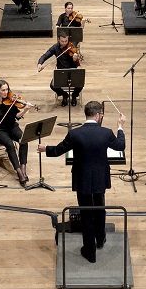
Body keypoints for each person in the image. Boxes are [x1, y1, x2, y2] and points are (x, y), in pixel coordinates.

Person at [39, 101, 126, 263]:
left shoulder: (74, 134)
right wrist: (120, 126)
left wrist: (46, 149)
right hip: (100, 177)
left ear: (86, 114)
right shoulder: (106, 133)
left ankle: (90, 251)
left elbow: (58, 150)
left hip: (83, 178)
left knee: (86, 213)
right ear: (98, 115)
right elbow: (120, 146)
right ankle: (100, 239)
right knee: (100, 208)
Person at [0, 80, 35, 184]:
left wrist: (25, 110)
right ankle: (19, 172)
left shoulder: (11, 100)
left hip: (12, 127)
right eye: (3, 90)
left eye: (7, 89)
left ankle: (23, 168)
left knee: (24, 139)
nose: (6, 92)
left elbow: (17, 116)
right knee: (10, 145)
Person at [38, 33, 82, 105]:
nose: (64, 43)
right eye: (62, 41)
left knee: (81, 83)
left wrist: (75, 60)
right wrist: (40, 63)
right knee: (52, 85)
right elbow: (45, 55)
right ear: (58, 39)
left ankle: (74, 96)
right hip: (61, 72)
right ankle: (64, 94)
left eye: (66, 41)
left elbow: (77, 64)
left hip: (72, 71)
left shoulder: (71, 47)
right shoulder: (55, 47)